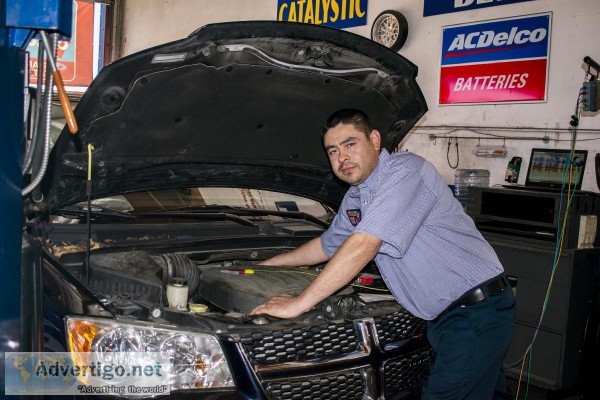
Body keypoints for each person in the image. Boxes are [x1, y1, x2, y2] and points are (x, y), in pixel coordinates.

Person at [250, 109, 515, 399]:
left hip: (475, 311)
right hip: (445, 318)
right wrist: (263, 267)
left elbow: (365, 243)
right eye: (333, 151)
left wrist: (297, 304)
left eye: (350, 144)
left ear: (375, 140)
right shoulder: (355, 198)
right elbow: (326, 246)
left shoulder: (406, 172)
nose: (342, 158)